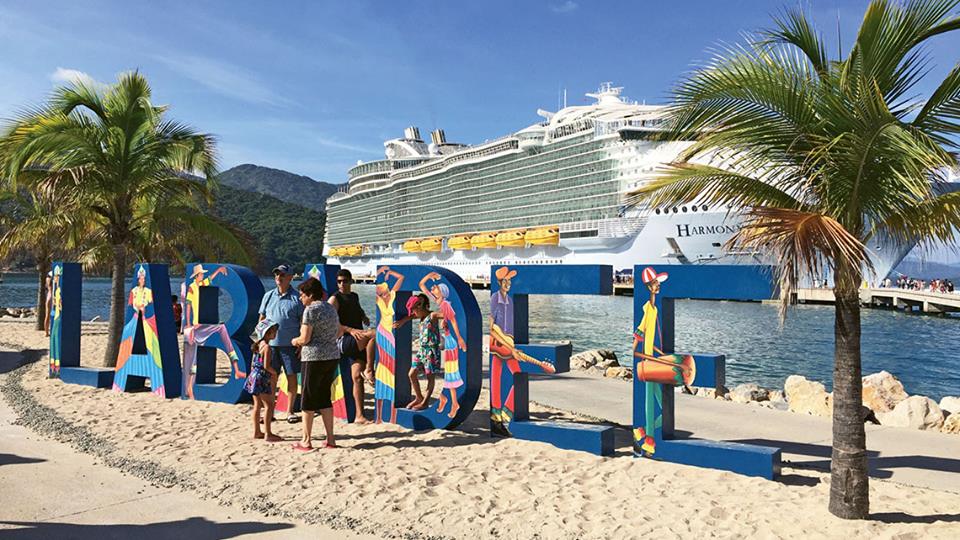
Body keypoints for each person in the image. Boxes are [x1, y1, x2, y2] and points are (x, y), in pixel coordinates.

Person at [488, 266, 555, 436]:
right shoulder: (495, 298)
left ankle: (505, 414)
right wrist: (510, 347)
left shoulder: (510, 301)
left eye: (510, 280)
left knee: (519, 378)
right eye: (506, 280)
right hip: (498, 345)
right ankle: (496, 421)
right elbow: (491, 327)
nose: (509, 283)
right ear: (500, 282)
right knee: (496, 382)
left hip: (509, 344)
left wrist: (512, 345)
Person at [290, 277, 341, 452]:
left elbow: (305, 338)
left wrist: (295, 341)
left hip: (313, 357)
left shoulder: (310, 310)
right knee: (325, 397)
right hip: (331, 356)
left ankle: (306, 440)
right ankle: (330, 438)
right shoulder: (330, 308)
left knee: (308, 399)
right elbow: (337, 331)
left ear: (311, 295)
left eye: (302, 295)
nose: (300, 298)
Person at [182, 264, 245, 400]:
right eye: (201, 274)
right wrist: (188, 323)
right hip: (196, 326)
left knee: (196, 358)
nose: (203, 275)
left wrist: (218, 270)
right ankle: (189, 388)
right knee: (194, 359)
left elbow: (210, 279)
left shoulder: (202, 284)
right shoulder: (192, 288)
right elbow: (188, 305)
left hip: (203, 325)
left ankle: (236, 370)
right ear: (197, 275)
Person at [328, 268, 376, 423]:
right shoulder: (334, 299)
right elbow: (331, 323)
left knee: (357, 378)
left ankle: (359, 415)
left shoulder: (354, 296)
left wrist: (364, 316)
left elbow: (357, 309)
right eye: (339, 281)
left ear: (350, 281)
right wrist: (350, 330)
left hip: (358, 341)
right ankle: (370, 370)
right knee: (375, 334)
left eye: (345, 281)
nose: (342, 284)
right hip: (344, 340)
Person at [259, 264, 305, 424]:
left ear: (290, 277)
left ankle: (290, 411)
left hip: (290, 346)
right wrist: (261, 341)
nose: (278, 277)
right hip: (270, 346)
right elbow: (262, 320)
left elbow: (303, 322)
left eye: (282, 274)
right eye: (277, 274)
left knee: (291, 377)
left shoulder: (297, 298)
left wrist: (301, 344)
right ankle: (269, 412)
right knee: (271, 378)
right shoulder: (268, 296)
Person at [419, 272, 467, 418]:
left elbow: (453, 320)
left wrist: (460, 338)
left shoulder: (445, 304)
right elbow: (422, 285)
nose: (433, 288)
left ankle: (453, 402)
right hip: (448, 339)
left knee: (451, 373)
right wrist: (429, 275)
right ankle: (446, 398)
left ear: (442, 292)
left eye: (436, 287)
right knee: (450, 374)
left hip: (451, 341)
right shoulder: (439, 301)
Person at [632, 266, 669, 457]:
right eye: (655, 283)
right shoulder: (648, 308)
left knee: (664, 409)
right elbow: (641, 329)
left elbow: (650, 336)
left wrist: (659, 351)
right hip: (648, 361)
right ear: (649, 287)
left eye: (658, 283)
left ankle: (641, 432)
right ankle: (649, 442)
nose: (658, 286)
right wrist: (634, 351)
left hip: (654, 358)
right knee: (651, 403)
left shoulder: (654, 308)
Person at [394, 294, 441, 410]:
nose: (413, 313)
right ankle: (419, 397)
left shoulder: (432, 316)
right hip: (421, 350)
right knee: (411, 374)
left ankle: (425, 402)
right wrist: (403, 321)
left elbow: (446, 315)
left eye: (414, 310)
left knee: (430, 377)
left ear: (420, 306)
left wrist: (446, 321)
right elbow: (411, 317)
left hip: (431, 351)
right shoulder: (421, 316)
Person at [374, 266, 405, 423]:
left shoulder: (393, 295)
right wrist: (380, 272)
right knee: (382, 364)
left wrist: (389, 271)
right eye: (382, 292)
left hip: (390, 334)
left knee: (391, 366)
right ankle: (379, 417)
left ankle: (391, 417)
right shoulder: (379, 300)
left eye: (385, 291)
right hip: (382, 332)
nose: (385, 294)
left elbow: (401, 278)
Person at [245, 319, 282, 442]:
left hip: (254, 376)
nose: (275, 333)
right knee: (269, 406)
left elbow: (253, 364)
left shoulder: (257, 345)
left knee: (257, 405)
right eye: (273, 331)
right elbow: (266, 366)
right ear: (267, 333)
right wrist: (274, 373)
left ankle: (257, 431)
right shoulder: (267, 348)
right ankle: (268, 433)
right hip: (262, 377)